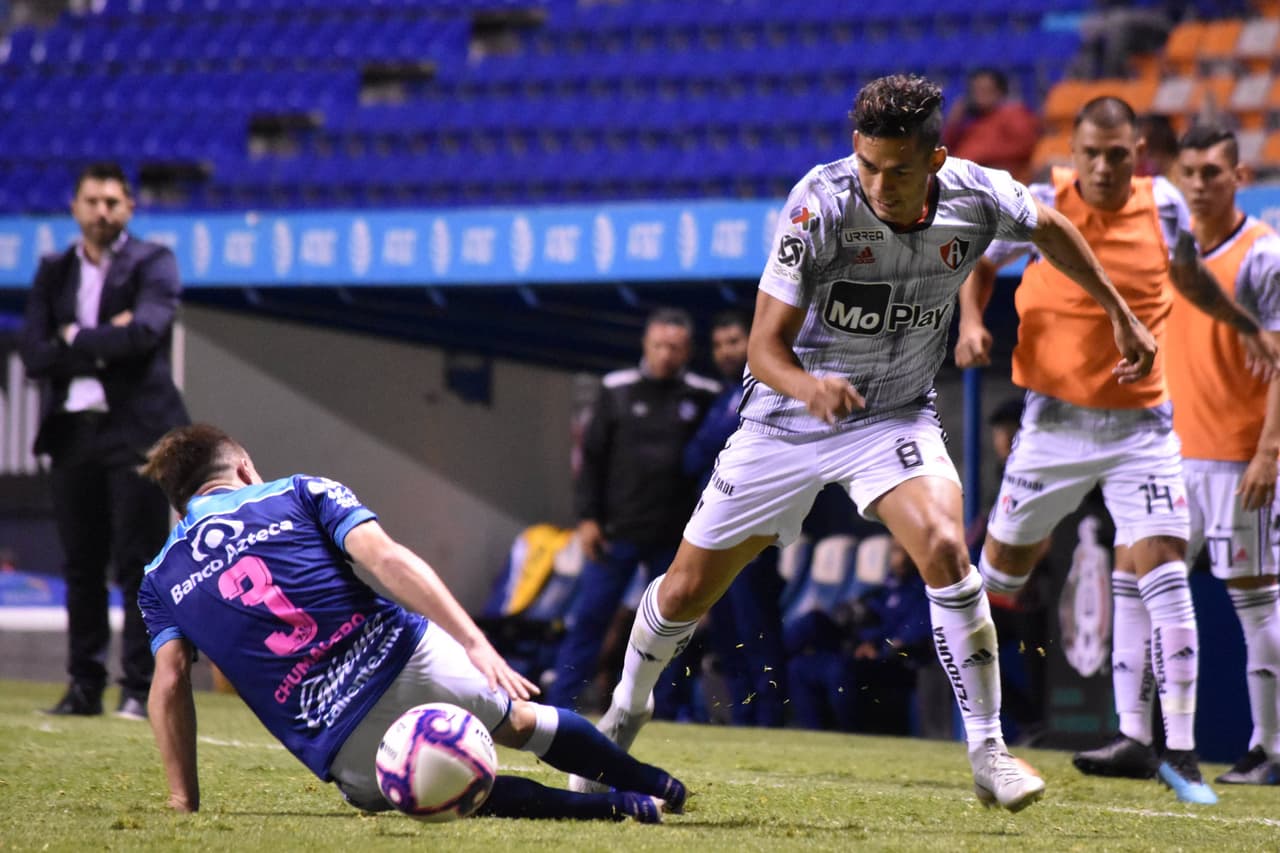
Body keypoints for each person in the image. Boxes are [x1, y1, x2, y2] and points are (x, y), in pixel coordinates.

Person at [574, 73, 1162, 813]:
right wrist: (810, 386)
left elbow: (1050, 228)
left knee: (947, 547)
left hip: (893, 417)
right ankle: (626, 707)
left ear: (936, 160)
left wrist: (1119, 313)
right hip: (787, 419)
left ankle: (987, 749)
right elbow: (762, 349)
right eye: (870, 165)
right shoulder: (818, 203)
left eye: (901, 170)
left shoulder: (977, 193)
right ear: (856, 149)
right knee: (690, 587)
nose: (882, 184)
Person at [955, 97, 1280, 804]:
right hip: (1056, 425)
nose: (1104, 168)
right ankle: (991, 729)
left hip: (1148, 429)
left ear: (1139, 152)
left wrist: (1244, 326)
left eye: (1119, 155)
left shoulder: (1172, 210)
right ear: (1071, 151)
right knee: (1000, 576)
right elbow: (983, 261)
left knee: (1170, 573)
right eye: (1092, 154)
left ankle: (1187, 752)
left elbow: (1189, 276)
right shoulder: (1039, 201)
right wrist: (972, 323)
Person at [137, 424, 686, 822]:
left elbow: (168, 684)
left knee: (433, 787)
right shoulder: (299, 491)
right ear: (243, 469)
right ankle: (655, 783)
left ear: (180, 506)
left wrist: (183, 800)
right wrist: (474, 641)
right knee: (520, 722)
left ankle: (618, 808)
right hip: (405, 657)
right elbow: (388, 560)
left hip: (336, 735)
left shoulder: (158, 579)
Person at [19, 162, 190, 721]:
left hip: (136, 434)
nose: (102, 211)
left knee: (139, 562)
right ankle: (83, 686)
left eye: (113, 202)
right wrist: (101, 339)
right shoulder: (52, 270)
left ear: (129, 209)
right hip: (74, 434)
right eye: (92, 201)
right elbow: (35, 353)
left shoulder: (153, 262)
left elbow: (144, 333)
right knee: (80, 564)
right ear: (74, 207)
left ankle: (139, 689)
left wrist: (73, 338)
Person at [1166, 123, 1280, 785]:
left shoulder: (1263, 256)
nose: (1201, 183)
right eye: (1192, 172)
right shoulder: (1173, 252)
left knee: (1257, 601)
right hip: (1175, 457)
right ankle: (1148, 736)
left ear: (1240, 178)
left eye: (1214, 172)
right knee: (1145, 586)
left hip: (1241, 460)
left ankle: (1269, 747)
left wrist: (1269, 452)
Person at [548, 307, 719, 712]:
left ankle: (667, 709)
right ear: (646, 344)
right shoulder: (616, 388)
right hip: (616, 532)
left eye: (675, 347)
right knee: (591, 619)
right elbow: (590, 459)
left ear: (688, 350)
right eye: (659, 345)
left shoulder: (704, 394)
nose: (666, 354)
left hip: (676, 537)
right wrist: (587, 518)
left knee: (672, 626)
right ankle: (560, 704)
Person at [684, 310, 788, 726]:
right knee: (726, 631)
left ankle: (771, 719)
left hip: (753, 530)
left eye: (733, 341)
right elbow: (690, 457)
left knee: (756, 628)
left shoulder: (772, 387)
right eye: (719, 344)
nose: (726, 351)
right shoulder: (724, 396)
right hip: (714, 531)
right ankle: (744, 720)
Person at [940, 68, 1041, 184]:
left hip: (998, 180)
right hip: (965, 178)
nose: (980, 95)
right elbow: (949, 145)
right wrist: (955, 121)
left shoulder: (1013, 113)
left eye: (986, 90)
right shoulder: (973, 121)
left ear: (1000, 91)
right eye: (976, 91)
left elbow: (1025, 146)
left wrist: (982, 155)